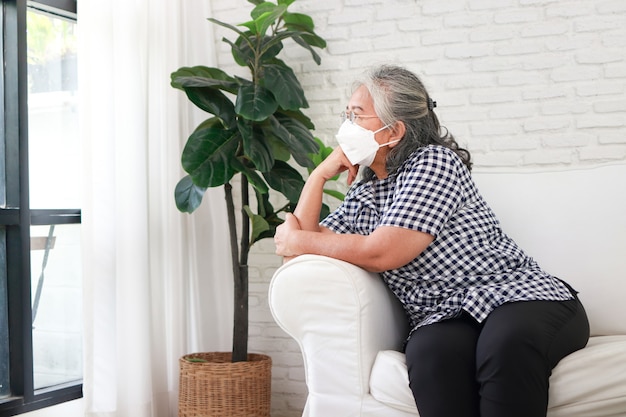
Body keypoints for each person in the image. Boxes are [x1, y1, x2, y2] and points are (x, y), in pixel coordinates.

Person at [273, 64, 590, 417]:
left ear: (393, 130)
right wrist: (318, 175)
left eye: (357, 117)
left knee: (505, 345)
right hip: (443, 314)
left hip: (519, 297)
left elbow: (381, 252)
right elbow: (300, 255)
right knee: (429, 355)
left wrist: (299, 241)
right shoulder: (364, 192)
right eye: (346, 115)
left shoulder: (434, 163)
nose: (346, 127)